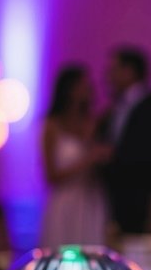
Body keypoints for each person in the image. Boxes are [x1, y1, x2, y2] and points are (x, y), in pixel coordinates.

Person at [99, 46, 151, 235]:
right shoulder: (112, 110)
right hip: (113, 201)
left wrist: (116, 157)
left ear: (129, 71)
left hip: (147, 198)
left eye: (113, 70)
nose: (107, 77)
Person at [39, 65, 110, 248]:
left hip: (90, 200)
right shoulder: (52, 125)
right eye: (83, 85)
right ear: (69, 90)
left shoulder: (94, 122)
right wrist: (88, 159)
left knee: (92, 251)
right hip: (64, 203)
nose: (89, 90)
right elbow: (50, 176)